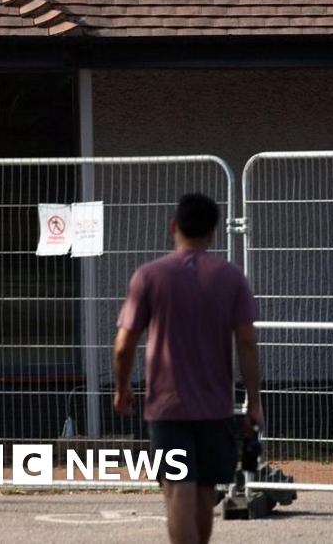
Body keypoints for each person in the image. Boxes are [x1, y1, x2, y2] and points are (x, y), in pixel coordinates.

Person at [113, 193, 263, 544]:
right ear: (213, 233)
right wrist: (253, 400)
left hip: (167, 405)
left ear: (173, 227)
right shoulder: (231, 278)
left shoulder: (150, 276)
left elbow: (124, 344)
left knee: (178, 487)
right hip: (216, 405)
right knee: (206, 490)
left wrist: (121, 387)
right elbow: (246, 342)